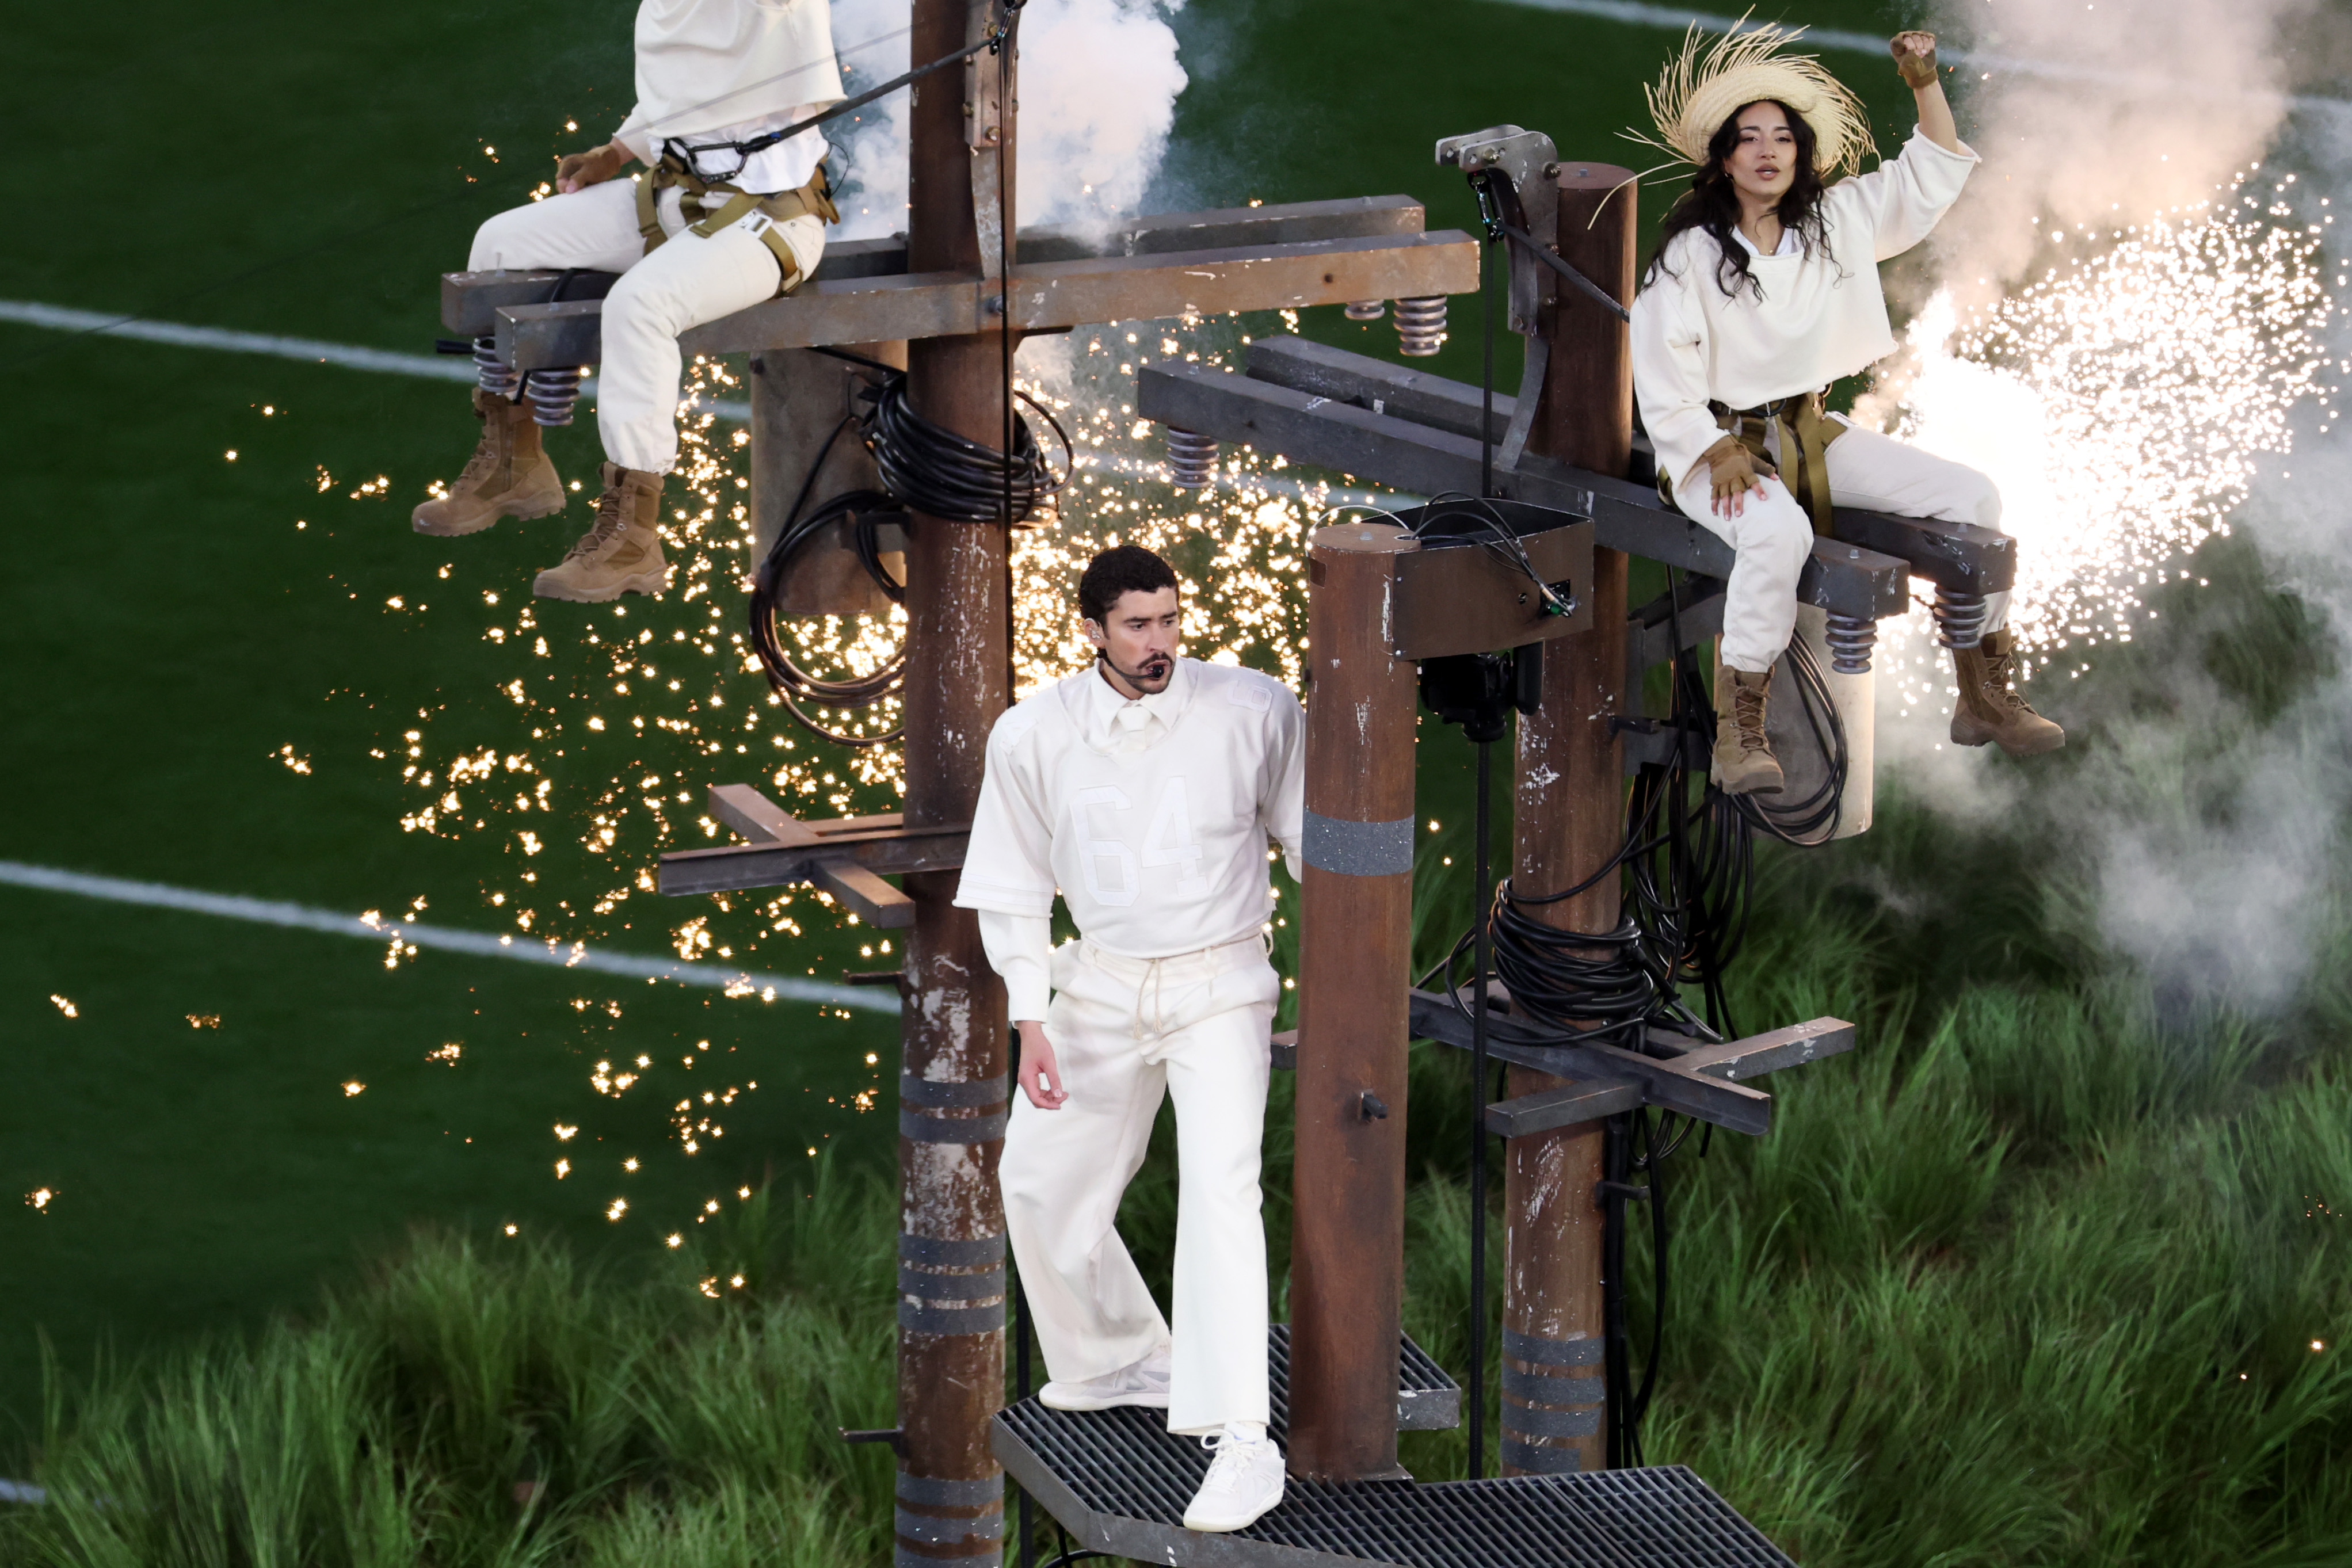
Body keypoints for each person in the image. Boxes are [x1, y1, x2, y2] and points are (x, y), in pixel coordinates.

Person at [953, 545, 1303, 1535]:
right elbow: (1015, 886)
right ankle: (1122, 1358)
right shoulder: (1030, 737)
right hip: (1098, 982)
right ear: (1093, 629)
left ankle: (1242, 1437)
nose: (1160, 643)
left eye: (1169, 621)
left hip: (1222, 981)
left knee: (1221, 1187)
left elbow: (1316, 839)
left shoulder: (1255, 709)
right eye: (1139, 625)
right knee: (1036, 1176)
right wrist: (1030, 1019)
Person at [1627, 24, 2065, 793]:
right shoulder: (1690, 255)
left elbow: (1924, 175)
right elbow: (1660, 369)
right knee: (1775, 530)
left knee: (1972, 497)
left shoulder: (1836, 221)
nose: (1767, 152)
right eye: (1747, 139)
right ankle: (1741, 731)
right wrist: (1707, 447)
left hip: (1806, 432)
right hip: (1713, 449)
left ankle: (1982, 693)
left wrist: (1924, 82)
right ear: (1723, 158)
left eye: (1780, 139)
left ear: (1799, 152)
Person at [411, 0, 843, 603]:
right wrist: (612, 154)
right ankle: (516, 463)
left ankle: (634, 538)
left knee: (638, 305)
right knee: (498, 243)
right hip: (671, 201)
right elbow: (681, 96)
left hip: (768, 220)